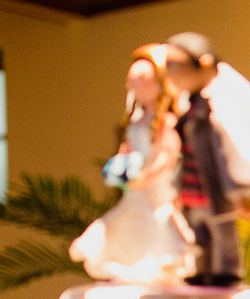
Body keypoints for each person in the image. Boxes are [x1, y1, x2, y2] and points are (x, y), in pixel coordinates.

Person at [163, 31, 250, 287]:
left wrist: (239, 192)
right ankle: (200, 270)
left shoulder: (218, 111)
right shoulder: (187, 111)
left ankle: (227, 271)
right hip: (192, 192)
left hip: (217, 191)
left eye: (175, 64)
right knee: (197, 235)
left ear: (203, 63)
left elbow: (233, 151)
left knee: (222, 234)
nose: (169, 71)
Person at [69, 43, 195, 285]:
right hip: (135, 188)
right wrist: (119, 166)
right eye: (132, 80)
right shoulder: (136, 120)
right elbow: (127, 147)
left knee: (156, 225)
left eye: (141, 79)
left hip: (153, 187)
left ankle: (156, 265)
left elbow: (166, 155)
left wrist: (146, 176)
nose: (133, 86)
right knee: (123, 221)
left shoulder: (165, 122)